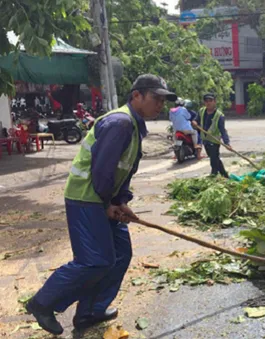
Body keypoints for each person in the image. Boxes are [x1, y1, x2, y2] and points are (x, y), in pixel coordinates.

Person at [25, 74, 176, 335]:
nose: (160, 105)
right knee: (95, 261)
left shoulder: (134, 125)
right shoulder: (120, 123)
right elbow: (102, 171)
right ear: (136, 95)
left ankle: (90, 312)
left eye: (164, 100)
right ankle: (42, 303)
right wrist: (108, 204)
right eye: (156, 98)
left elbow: (121, 171)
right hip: (86, 198)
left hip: (103, 198)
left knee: (119, 255)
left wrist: (120, 202)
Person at [192, 93, 232, 177]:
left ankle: (214, 174)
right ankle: (224, 174)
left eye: (210, 101)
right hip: (205, 140)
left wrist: (227, 143)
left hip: (214, 141)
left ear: (214, 102)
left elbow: (223, 130)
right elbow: (196, 120)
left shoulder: (219, 115)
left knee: (213, 159)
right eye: (206, 101)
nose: (208, 103)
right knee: (215, 158)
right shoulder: (202, 111)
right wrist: (194, 122)